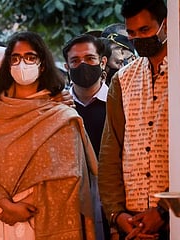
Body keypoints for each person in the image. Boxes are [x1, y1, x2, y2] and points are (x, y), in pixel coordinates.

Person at [0, 31, 98, 239]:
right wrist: (6, 205)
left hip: (43, 213)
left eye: (30, 57)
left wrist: (26, 205)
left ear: (42, 64)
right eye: (15, 58)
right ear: (7, 65)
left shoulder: (61, 115)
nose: (22, 64)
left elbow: (70, 173)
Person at [98, 0, 169, 239]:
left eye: (145, 30)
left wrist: (164, 211)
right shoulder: (123, 80)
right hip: (132, 222)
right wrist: (117, 214)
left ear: (165, 25)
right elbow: (110, 153)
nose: (137, 38)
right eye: (131, 33)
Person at [63, 34, 108, 240]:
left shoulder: (120, 103)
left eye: (90, 59)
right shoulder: (58, 108)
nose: (83, 65)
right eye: (75, 61)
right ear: (67, 66)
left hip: (112, 195)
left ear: (103, 62)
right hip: (71, 198)